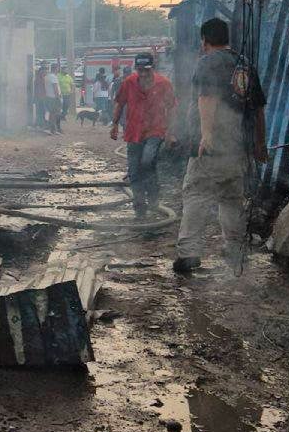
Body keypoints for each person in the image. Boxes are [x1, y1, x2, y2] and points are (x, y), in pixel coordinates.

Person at [174, 18, 268, 274]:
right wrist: (260, 143)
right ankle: (235, 250)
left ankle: (188, 254)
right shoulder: (244, 64)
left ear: (204, 40)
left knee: (196, 194)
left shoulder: (208, 62)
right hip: (239, 149)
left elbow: (207, 97)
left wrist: (206, 135)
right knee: (232, 199)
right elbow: (258, 108)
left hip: (212, 149)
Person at [110, 53, 176, 218]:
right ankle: (140, 208)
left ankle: (153, 197)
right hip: (134, 132)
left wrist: (170, 132)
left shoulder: (164, 83)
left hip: (155, 130)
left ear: (153, 68)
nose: (143, 74)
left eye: (147, 70)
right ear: (136, 70)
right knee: (134, 171)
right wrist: (114, 124)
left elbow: (172, 107)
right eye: (140, 70)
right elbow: (120, 103)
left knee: (147, 161)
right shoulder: (129, 82)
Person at [46, 62, 63, 133]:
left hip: (49, 97)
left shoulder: (48, 76)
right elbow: (55, 88)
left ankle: (51, 128)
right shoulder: (53, 77)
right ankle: (53, 129)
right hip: (54, 98)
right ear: (56, 68)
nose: (59, 70)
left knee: (51, 113)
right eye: (58, 68)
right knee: (55, 113)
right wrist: (58, 97)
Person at [32, 64, 48, 128]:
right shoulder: (38, 79)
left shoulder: (44, 78)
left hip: (43, 97)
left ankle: (41, 123)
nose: (45, 73)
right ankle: (38, 123)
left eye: (46, 71)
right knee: (39, 111)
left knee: (43, 111)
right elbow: (38, 89)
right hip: (39, 97)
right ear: (41, 71)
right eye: (44, 71)